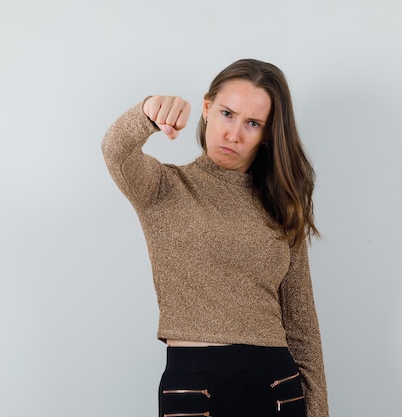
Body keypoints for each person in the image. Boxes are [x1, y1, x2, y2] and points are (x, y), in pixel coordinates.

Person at [102, 59, 328, 417]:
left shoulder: (282, 206)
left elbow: (301, 324)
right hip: (195, 386)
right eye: (227, 113)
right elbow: (116, 151)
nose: (233, 134)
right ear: (207, 108)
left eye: (252, 123)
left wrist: (319, 411)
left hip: (277, 386)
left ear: (267, 134)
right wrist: (148, 113)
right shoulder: (164, 187)